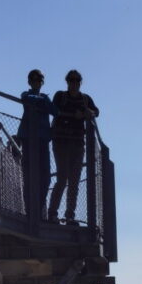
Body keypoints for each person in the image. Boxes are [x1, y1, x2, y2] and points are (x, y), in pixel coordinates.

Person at [47, 69, 99, 224]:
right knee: (62, 178)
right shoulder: (60, 96)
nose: (74, 83)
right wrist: (72, 115)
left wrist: (87, 113)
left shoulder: (85, 99)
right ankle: (52, 213)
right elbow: (53, 110)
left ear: (80, 82)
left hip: (77, 144)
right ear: (67, 81)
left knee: (74, 182)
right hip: (61, 142)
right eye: (71, 80)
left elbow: (96, 111)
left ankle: (70, 215)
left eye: (77, 81)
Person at [17, 69, 55, 219]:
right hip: (28, 138)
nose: (36, 83)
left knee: (45, 177)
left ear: (42, 82)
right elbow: (28, 101)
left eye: (39, 81)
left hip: (43, 139)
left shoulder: (45, 97)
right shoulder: (26, 94)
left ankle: (38, 210)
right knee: (29, 176)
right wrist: (42, 103)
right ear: (29, 82)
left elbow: (54, 111)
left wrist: (43, 102)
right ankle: (29, 211)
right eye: (33, 80)